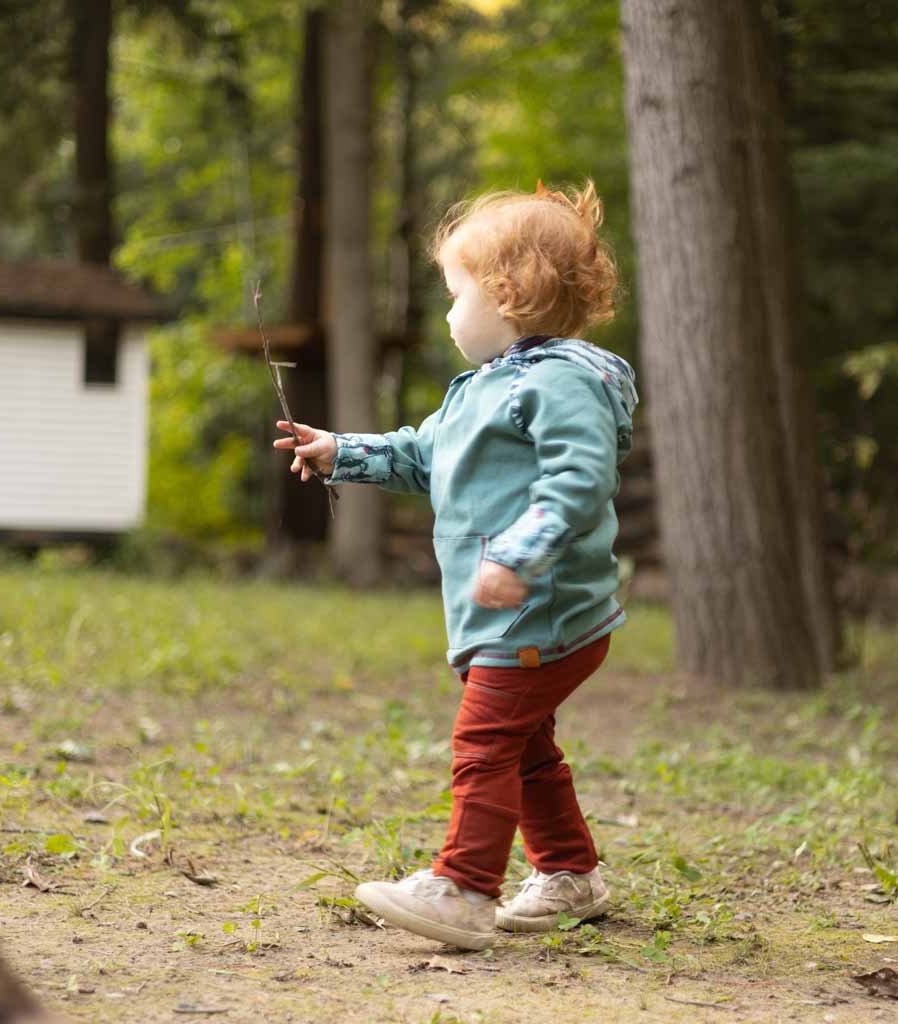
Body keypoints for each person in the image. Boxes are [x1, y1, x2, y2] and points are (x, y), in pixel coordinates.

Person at [273, 179, 639, 950]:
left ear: (508, 293)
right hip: (503, 611)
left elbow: (580, 478)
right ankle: (571, 872)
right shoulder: (484, 389)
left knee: (485, 742)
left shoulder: (558, 382)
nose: (446, 313)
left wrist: (518, 553)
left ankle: (466, 887)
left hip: (541, 605)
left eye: (455, 293)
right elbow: (421, 455)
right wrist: (340, 451)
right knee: (526, 745)